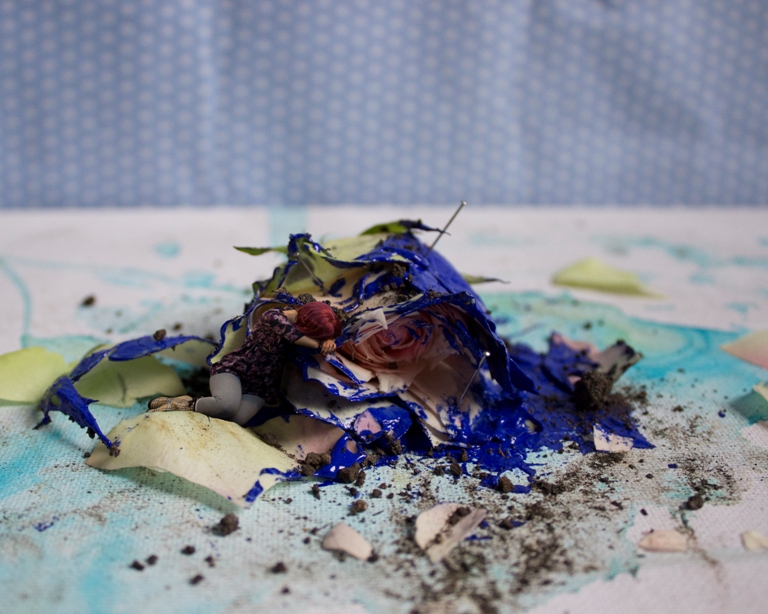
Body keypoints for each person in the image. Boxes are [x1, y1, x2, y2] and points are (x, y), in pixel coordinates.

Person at [148, 302, 341, 426]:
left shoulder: (298, 332)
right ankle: (182, 404)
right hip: (236, 370)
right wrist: (323, 342)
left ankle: (197, 407)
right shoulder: (273, 317)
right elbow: (298, 337)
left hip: (260, 385)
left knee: (234, 421)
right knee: (226, 407)